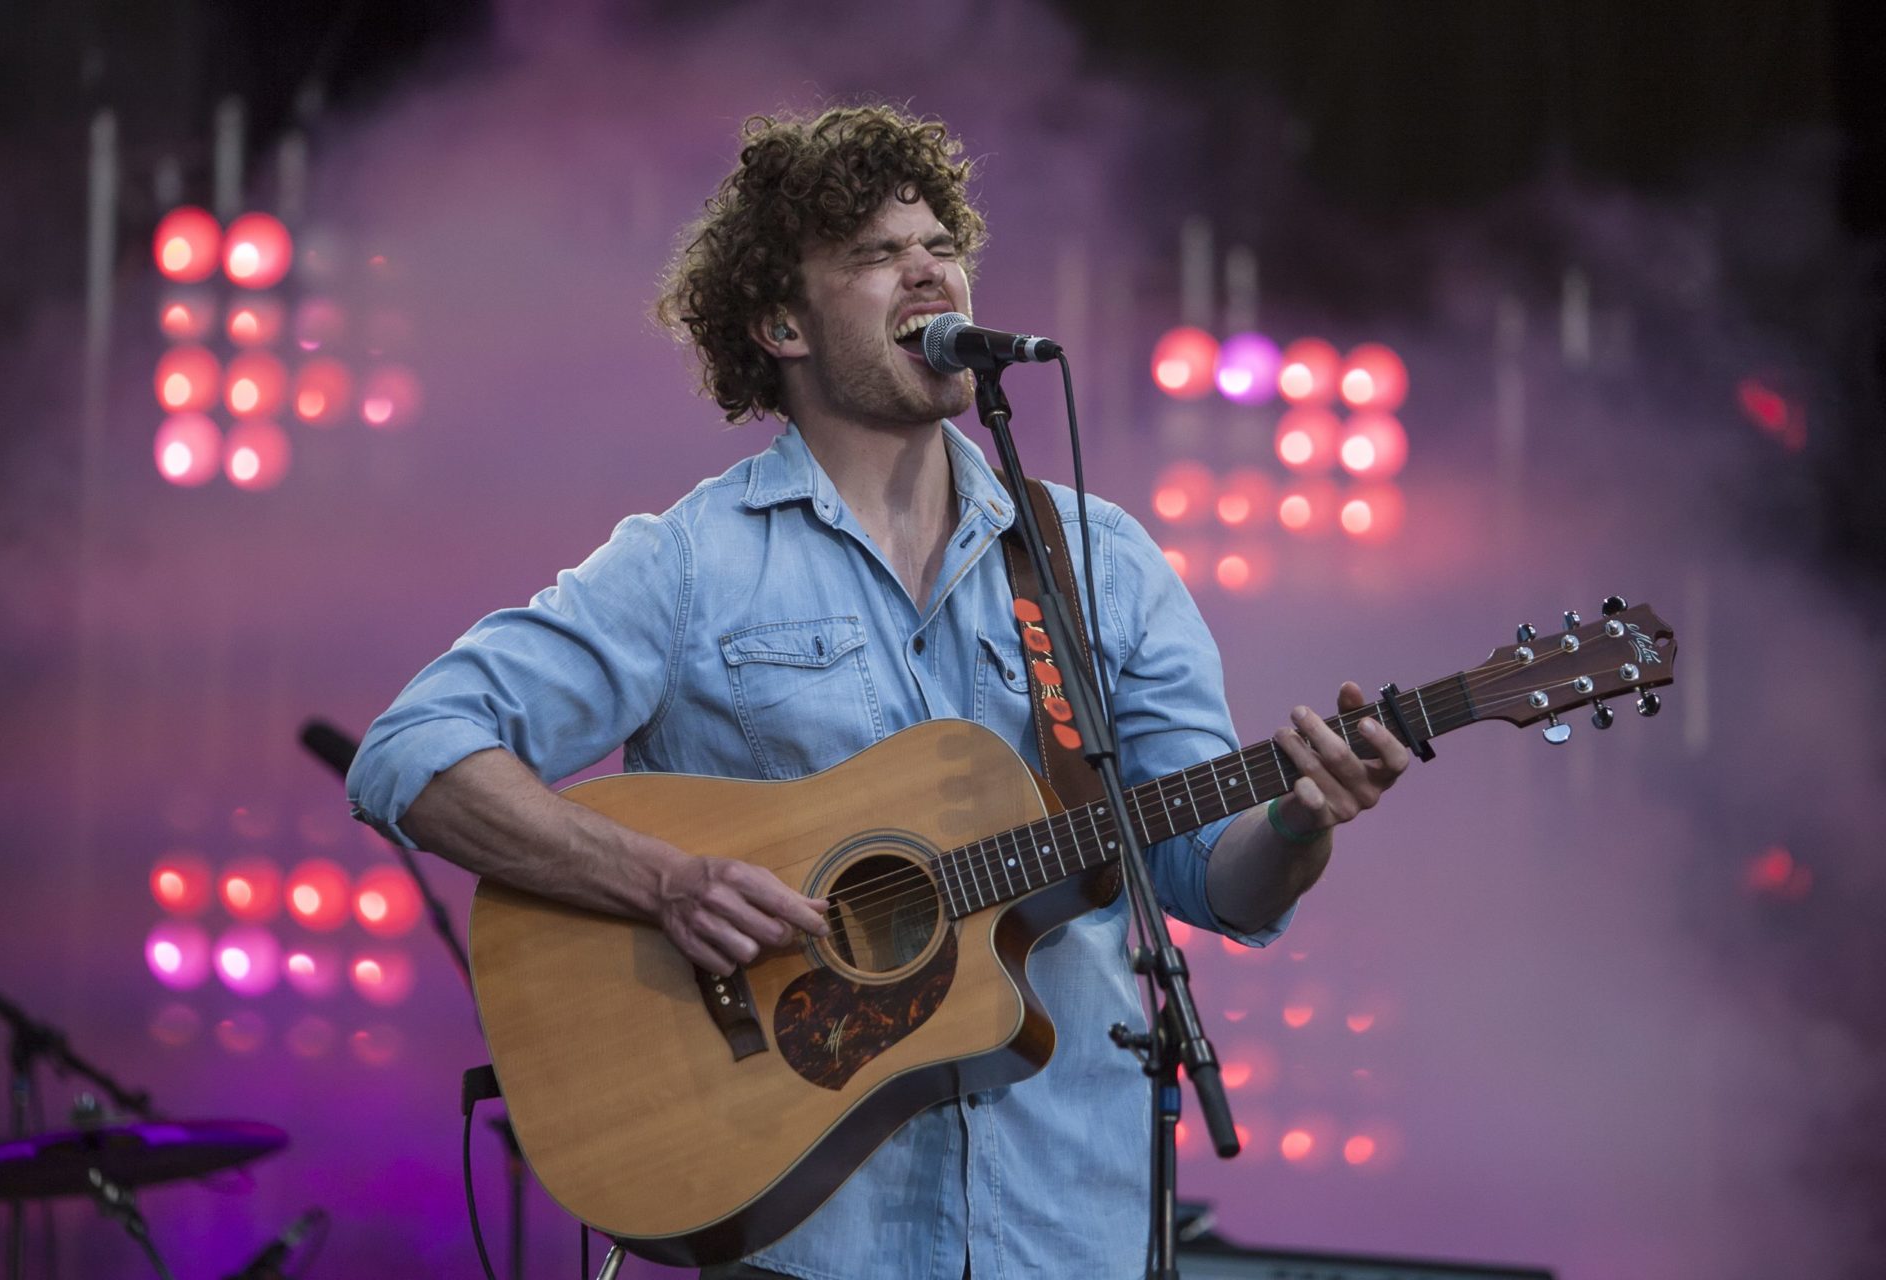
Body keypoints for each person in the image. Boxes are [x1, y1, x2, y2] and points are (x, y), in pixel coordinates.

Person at [346, 104, 1412, 1279]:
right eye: (874, 253)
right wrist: (665, 879)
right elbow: (413, 748)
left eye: (942, 243)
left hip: (1062, 1223)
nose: (928, 269)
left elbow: (1206, 872)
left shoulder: (1096, 561)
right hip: (796, 1233)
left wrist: (1303, 820)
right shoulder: (690, 562)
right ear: (779, 321)